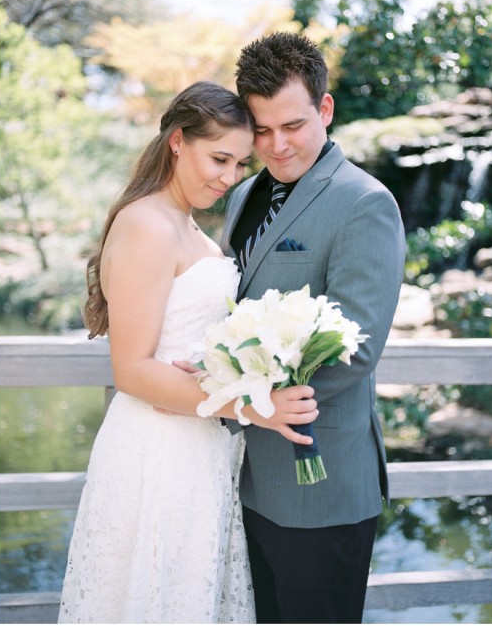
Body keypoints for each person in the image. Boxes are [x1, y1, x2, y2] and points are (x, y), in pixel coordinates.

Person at [59, 81, 320, 623]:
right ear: (178, 141)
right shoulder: (147, 224)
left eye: (239, 164)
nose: (228, 178)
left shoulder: (192, 229)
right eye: (218, 158)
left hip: (200, 445)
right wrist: (250, 408)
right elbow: (131, 370)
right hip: (156, 448)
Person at [222, 32, 405, 623]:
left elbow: (359, 345)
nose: (277, 145)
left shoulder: (364, 201)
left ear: (325, 110)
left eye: (293, 125)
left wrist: (247, 400)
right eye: (261, 128)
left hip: (321, 484)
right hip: (245, 479)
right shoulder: (242, 195)